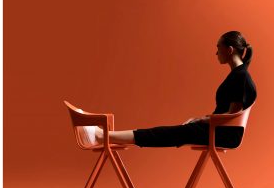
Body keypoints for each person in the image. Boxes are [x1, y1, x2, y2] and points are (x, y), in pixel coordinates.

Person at [84, 31, 257, 148]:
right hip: (216, 131)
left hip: (222, 135)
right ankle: (105, 136)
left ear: (229, 50)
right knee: (171, 132)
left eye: (218, 47)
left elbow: (230, 117)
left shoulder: (240, 76)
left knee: (169, 133)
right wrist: (201, 119)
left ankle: (103, 136)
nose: (216, 52)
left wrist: (203, 121)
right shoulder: (238, 75)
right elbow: (228, 114)